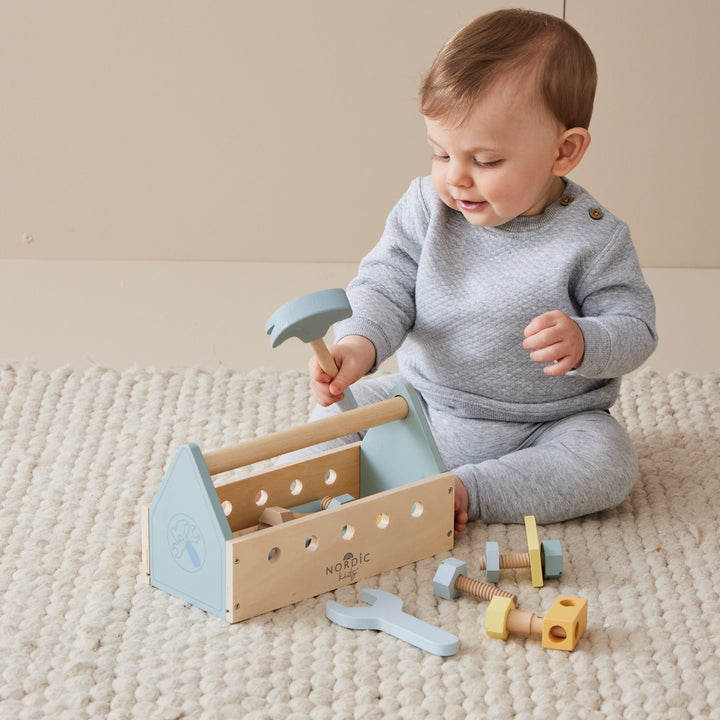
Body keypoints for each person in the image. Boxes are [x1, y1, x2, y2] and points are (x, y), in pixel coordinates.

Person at [300, 9, 657, 535]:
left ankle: (470, 489)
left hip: (543, 426)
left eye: (486, 161)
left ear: (565, 151)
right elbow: (385, 283)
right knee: (339, 415)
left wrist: (586, 339)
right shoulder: (427, 207)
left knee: (608, 460)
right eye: (440, 153)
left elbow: (637, 329)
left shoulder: (595, 238)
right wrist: (359, 344)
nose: (456, 179)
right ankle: (343, 484)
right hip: (425, 401)